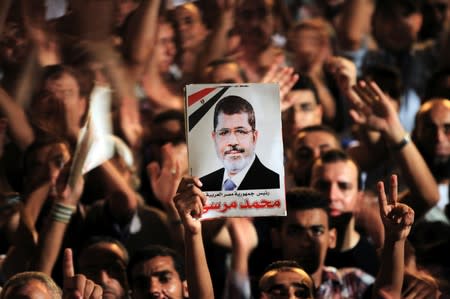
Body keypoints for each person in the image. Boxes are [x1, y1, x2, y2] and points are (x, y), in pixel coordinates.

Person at [200, 95, 280, 192]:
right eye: (224, 132)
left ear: (254, 137)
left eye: (241, 132)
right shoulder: (202, 186)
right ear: (214, 138)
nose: (233, 142)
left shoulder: (275, 183)